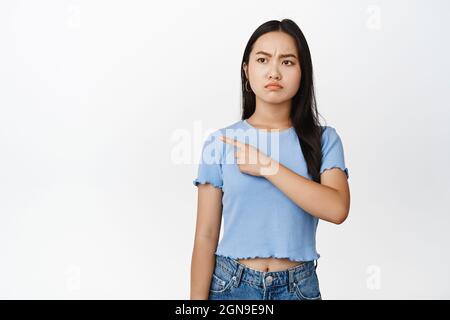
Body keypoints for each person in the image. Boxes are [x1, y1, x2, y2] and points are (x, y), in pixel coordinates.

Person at [190, 18, 350, 300]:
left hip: (298, 287)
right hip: (230, 285)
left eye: (287, 62)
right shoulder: (220, 142)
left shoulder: (324, 139)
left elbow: (336, 209)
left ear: (302, 73)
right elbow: (205, 235)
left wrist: (267, 167)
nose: (274, 72)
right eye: (263, 60)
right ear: (247, 70)